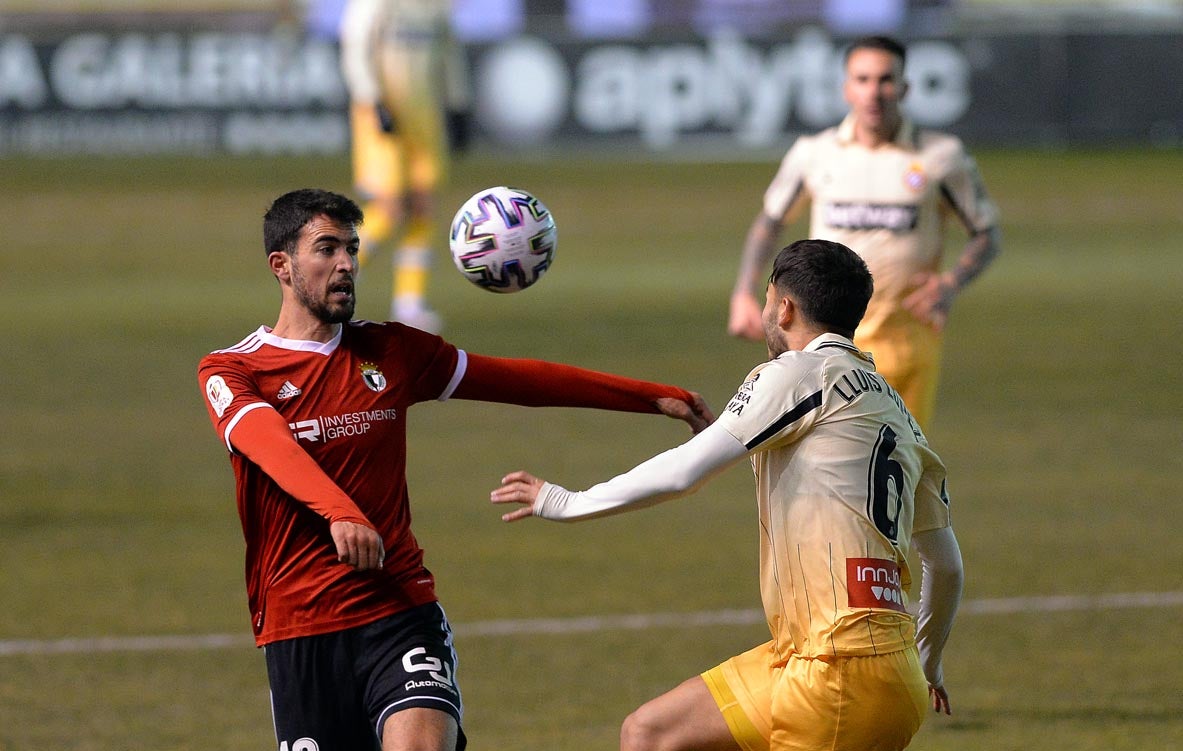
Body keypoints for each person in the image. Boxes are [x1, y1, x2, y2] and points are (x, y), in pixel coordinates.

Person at [197, 188, 712, 751]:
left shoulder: (391, 351)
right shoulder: (233, 369)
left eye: (352, 248)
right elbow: (268, 444)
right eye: (327, 249)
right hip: (299, 626)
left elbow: (518, 380)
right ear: (282, 266)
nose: (346, 264)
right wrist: (340, 512)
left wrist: (651, 396)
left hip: (397, 609)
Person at [493, 238, 965, 751]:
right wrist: (926, 662)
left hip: (836, 676)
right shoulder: (896, 410)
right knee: (650, 734)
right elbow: (945, 566)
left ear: (784, 307)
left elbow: (682, 476)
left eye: (767, 301)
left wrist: (567, 501)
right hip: (831, 662)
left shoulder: (797, 373)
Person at [728, 35, 1001, 431]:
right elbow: (769, 222)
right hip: (819, 341)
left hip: (905, 340)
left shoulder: (940, 156)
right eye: (863, 79)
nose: (874, 92)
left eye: (886, 79)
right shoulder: (814, 152)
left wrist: (951, 284)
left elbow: (987, 234)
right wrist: (742, 295)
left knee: (897, 468)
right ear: (846, 88)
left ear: (905, 88)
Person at [339, 0, 470, 332]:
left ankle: (409, 304)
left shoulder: (438, 8)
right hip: (385, 114)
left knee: (424, 206)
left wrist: (458, 103)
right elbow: (356, 46)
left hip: (425, 116)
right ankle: (330, 282)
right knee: (390, 208)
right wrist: (371, 97)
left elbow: (449, 53)